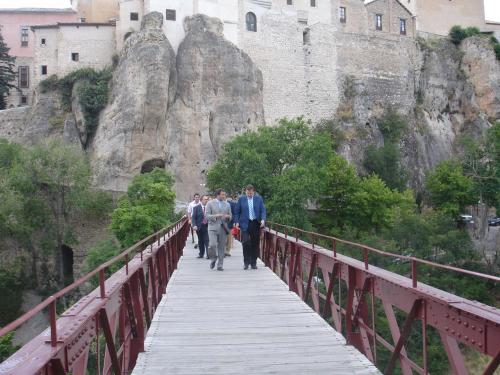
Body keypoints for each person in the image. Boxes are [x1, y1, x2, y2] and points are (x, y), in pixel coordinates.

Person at [235, 185, 266, 270]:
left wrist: (263, 219)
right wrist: (237, 222)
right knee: (245, 242)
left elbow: (263, 210)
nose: (249, 193)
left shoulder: (258, 199)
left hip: (255, 223)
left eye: (251, 192)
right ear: (245, 192)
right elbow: (237, 212)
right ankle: (246, 262)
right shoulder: (241, 199)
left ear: (253, 191)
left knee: (255, 243)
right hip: (245, 223)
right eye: (248, 192)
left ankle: (253, 263)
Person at [206, 189, 232, 271]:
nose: (224, 196)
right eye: (222, 194)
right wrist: (215, 216)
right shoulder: (210, 203)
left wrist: (228, 217)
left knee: (221, 247)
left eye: (224, 195)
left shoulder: (227, 204)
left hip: (223, 228)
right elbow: (206, 216)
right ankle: (213, 259)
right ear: (218, 195)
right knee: (212, 245)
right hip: (212, 227)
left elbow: (231, 216)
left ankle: (220, 265)